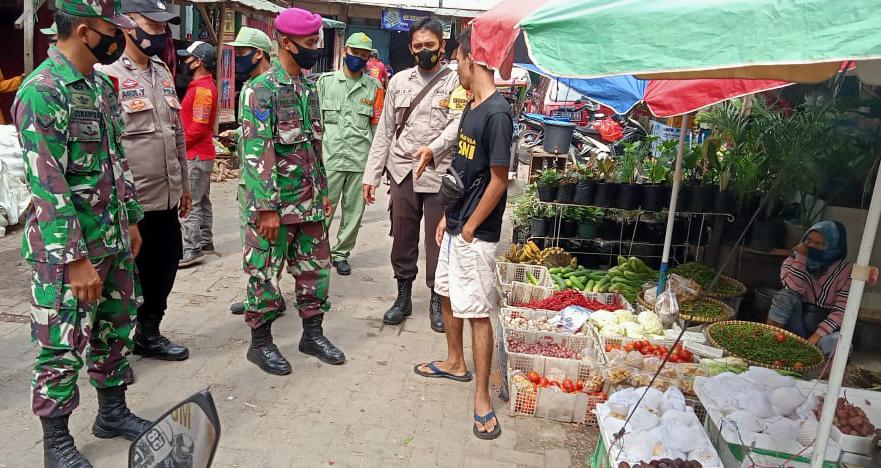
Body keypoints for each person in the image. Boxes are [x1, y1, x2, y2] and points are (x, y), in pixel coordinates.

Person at [12, 2, 155, 465]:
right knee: (60, 346)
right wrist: (74, 259)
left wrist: (131, 217)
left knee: (115, 329)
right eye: (112, 30)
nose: (120, 38)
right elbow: (47, 185)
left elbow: (117, 161)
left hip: (112, 239)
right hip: (68, 252)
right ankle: (56, 443)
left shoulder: (101, 86)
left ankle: (112, 412)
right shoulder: (42, 91)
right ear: (83, 30)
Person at [414, 26, 512, 440]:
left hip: (477, 234)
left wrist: (471, 225)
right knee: (446, 293)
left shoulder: (497, 114)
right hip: (456, 225)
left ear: (472, 59)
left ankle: (482, 399)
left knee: (477, 312)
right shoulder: (472, 108)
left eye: (457, 60)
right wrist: (447, 217)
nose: (455, 67)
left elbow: (498, 179)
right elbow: (465, 171)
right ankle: (455, 362)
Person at [238, 7, 345, 374]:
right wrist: (266, 208)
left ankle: (312, 334)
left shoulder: (307, 88)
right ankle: (261, 342)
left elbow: (316, 147)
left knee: (315, 270)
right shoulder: (259, 90)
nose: (316, 48)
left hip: (311, 202)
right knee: (265, 273)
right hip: (276, 205)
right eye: (311, 42)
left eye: (317, 41)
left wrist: (324, 191)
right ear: (286, 42)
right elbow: (256, 151)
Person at [98, 0, 191, 362]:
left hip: (166, 196)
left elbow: (176, 132)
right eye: (150, 24)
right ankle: (112, 351)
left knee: (165, 265)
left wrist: (184, 184)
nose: (158, 32)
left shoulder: (163, 71)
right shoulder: (108, 74)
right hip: (130, 203)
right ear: (127, 25)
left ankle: (148, 334)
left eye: (162, 25)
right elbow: (106, 146)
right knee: (122, 280)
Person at [362, 17, 466, 333]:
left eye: (430, 46)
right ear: (410, 48)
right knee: (402, 237)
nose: (424, 52)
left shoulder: (456, 83)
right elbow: (385, 131)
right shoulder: (398, 82)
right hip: (402, 171)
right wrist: (372, 175)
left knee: (437, 241)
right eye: (418, 46)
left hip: (438, 172)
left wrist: (432, 149)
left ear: (442, 47)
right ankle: (403, 297)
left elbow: (456, 125)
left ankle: (437, 300)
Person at [220, 27, 285, 317]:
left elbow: (274, 138)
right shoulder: (249, 86)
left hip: (263, 184)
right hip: (247, 180)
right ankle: (262, 294)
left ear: (258, 53)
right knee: (253, 243)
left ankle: (267, 299)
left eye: (241, 53)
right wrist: (236, 135)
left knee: (264, 245)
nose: (237, 59)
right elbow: (256, 132)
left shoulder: (270, 86)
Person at [316, 33, 383, 276]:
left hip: (360, 161)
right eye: (355, 53)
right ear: (345, 51)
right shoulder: (325, 83)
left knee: (354, 212)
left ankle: (341, 253)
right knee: (323, 209)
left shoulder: (374, 88)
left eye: (364, 54)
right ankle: (318, 251)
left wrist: (377, 167)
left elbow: (377, 129)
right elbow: (316, 125)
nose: (359, 58)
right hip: (330, 159)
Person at [768, 221, 852, 355]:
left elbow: (840, 312)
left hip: (823, 332)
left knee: (837, 342)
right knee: (784, 296)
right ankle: (770, 342)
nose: (812, 246)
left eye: (820, 244)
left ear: (834, 247)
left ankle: (814, 363)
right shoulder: (793, 260)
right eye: (809, 241)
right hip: (797, 324)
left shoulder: (846, 271)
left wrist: (813, 339)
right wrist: (801, 258)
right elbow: (792, 289)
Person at [177, 41, 219, 267]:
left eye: (189, 57)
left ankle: (191, 248)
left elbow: (199, 127)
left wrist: (179, 147)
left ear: (199, 61)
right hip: (201, 154)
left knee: (190, 201)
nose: (185, 61)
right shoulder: (200, 86)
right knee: (201, 200)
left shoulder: (202, 90)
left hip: (195, 154)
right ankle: (205, 241)